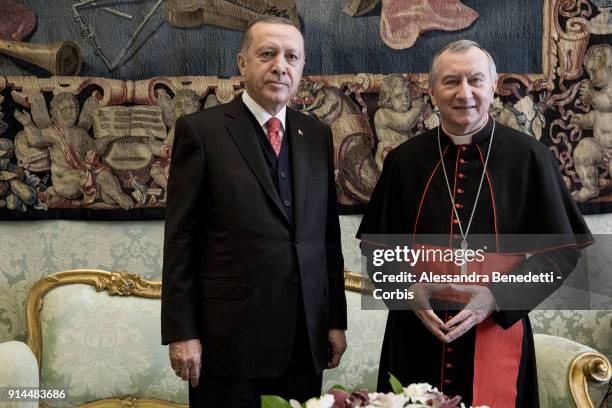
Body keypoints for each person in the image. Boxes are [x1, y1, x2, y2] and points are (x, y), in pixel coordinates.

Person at [357, 40, 592, 407]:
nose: (464, 93)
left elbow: (561, 254)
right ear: (432, 91)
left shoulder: (530, 157)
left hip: (497, 330)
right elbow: (376, 249)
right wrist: (406, 290)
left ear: (493, 85)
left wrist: (497, 297)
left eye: (475, 80)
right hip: (417, 333)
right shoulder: (404, 160)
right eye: (451, 81)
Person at [161, 16, 347, 407]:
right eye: (268, 54)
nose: (281, 65)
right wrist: (182, 332)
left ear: (301, 69)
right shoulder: (202, 131)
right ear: (242, 64)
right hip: (228, 343)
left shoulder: (316, 135)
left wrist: (335, 322)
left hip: (304, 339)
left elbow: (327, 239)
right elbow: (181, 241)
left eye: (292, 57)